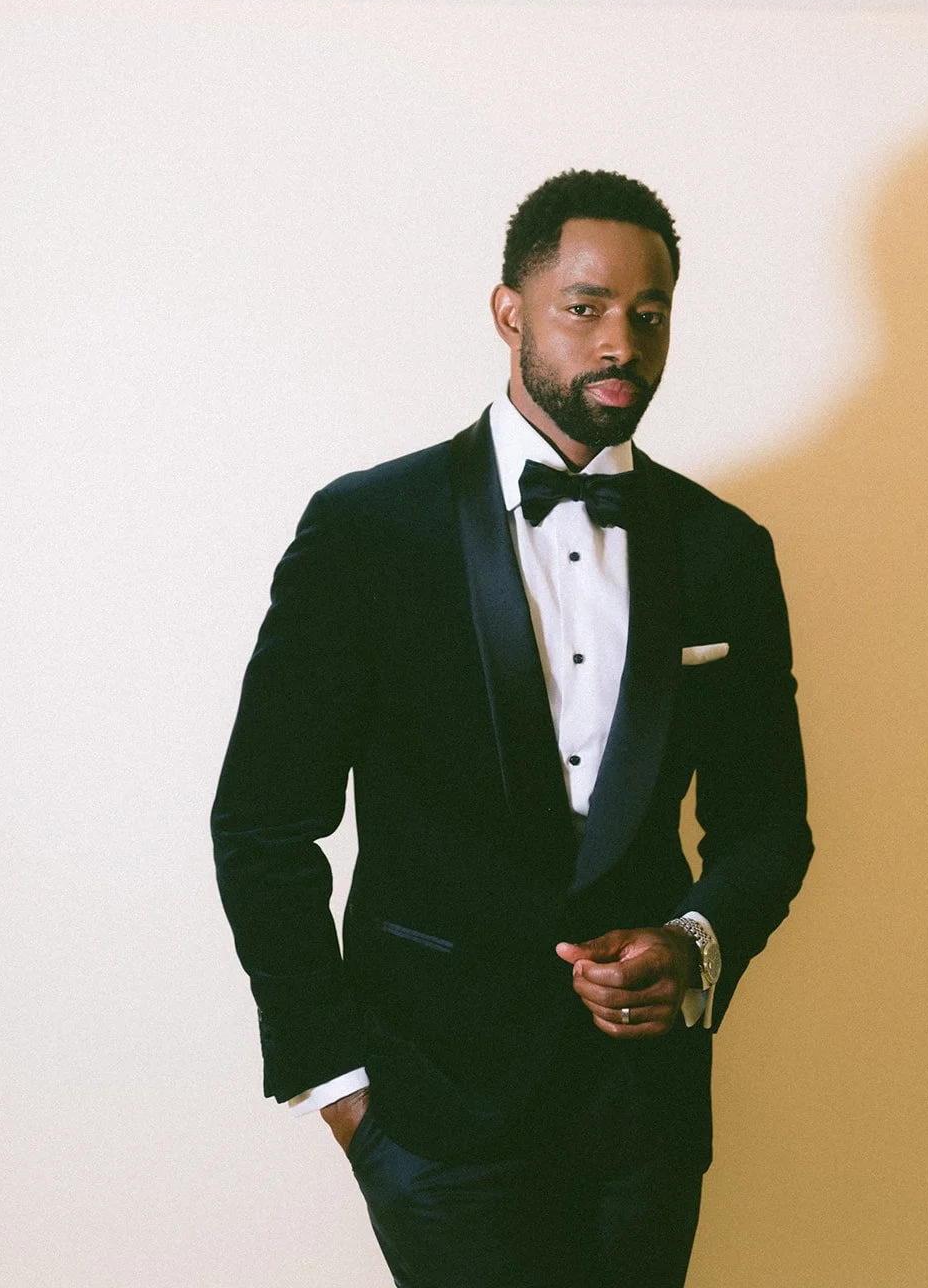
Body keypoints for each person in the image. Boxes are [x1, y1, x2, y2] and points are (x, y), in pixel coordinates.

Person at [212, 169, 813, 1288]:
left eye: (650, 312)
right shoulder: (368, 531)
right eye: (585, 307)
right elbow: (261, 822)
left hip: (644, 1115)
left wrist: (693, 942)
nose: (621, 341)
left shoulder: (725, 549)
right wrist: (336, 1085)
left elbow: (769, 821)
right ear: (510, 313)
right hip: (430, 1112)